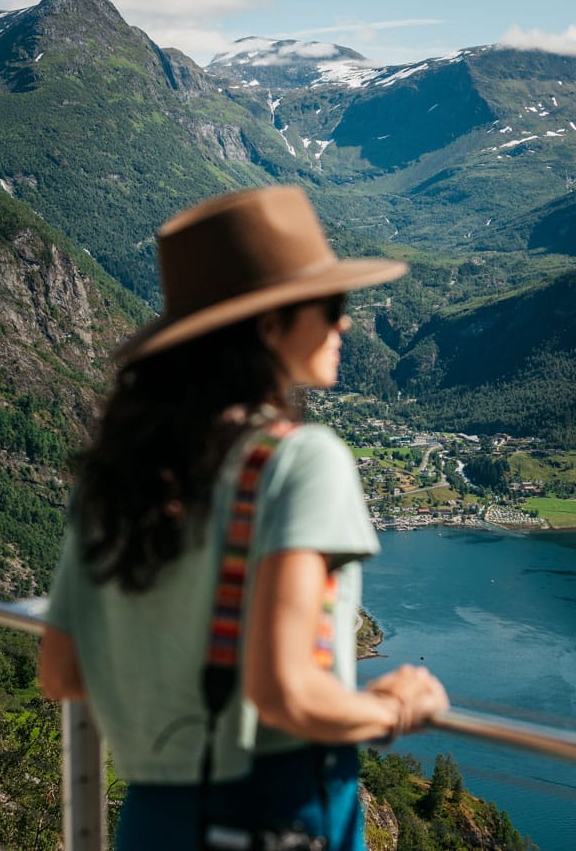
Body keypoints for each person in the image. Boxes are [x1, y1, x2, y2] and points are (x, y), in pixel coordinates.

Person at [39, 185, 449, 851]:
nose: (344, 324)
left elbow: (62, 672)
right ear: (268, 325)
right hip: (276, 819)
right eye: (333, 305)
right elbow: (285, 691)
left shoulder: (117, 475)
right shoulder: (299, 461)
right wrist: (394, 707)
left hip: (152, 824)